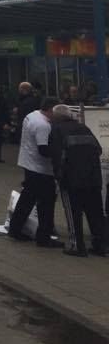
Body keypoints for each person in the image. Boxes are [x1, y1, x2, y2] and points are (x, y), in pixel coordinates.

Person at [49, 104, 106, 257]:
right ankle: (101, 245)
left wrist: (59, 176)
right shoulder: (84, 128)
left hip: (71, 179)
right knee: (95, 212)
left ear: (56, 117)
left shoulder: (57, 130)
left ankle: (77, 245)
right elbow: (98, 150)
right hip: (93, 178)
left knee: (73, 213)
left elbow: (56, 155)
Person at [8, 97, 61, 247]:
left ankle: (15, 228)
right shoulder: (43, 125)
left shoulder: (32, 115)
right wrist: (60, 154)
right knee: (46, 202)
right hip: (40, 169)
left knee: (27, 198)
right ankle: (43, 236)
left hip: (28, 163)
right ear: (51, 110)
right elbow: (43, 149)